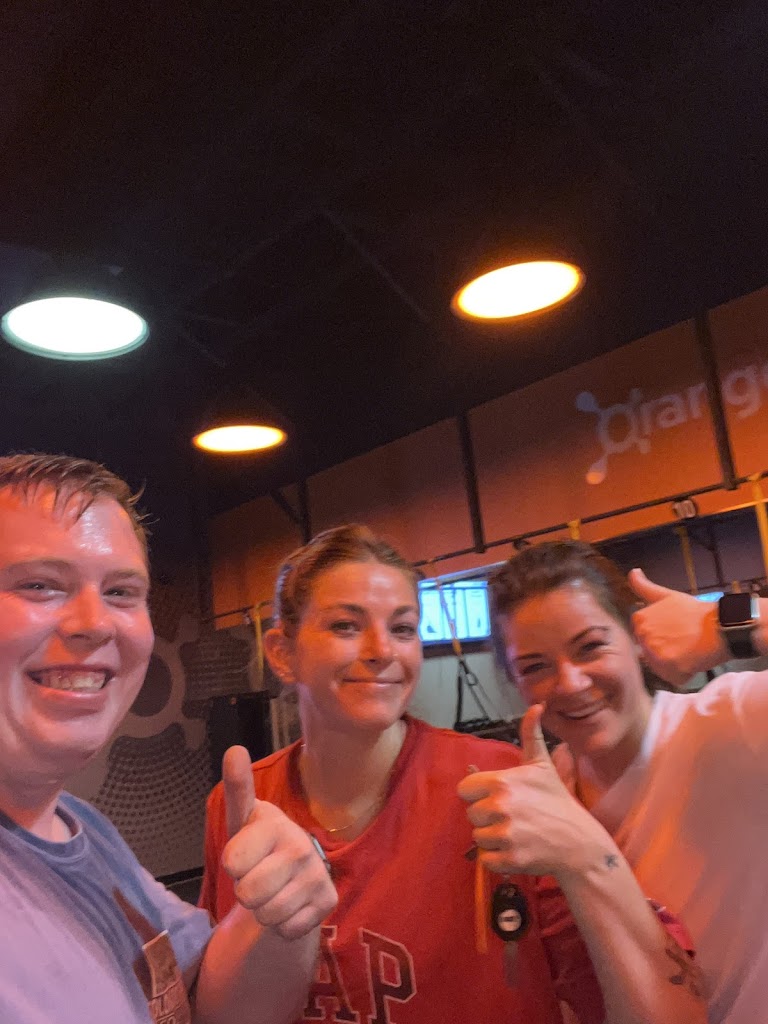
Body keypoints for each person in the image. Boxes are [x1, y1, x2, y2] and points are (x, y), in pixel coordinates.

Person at [200, 524, 705, 1024]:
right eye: (346, 626)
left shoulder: (499, 784)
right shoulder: (242, 806)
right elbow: (221, 997)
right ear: (282, 653)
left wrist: (589, 859)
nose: (382, 650)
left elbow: (661, 1009)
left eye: (402, 628)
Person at [0, 452, 337, 1024]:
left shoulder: (85, 830)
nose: (95, 623)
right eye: (40, 585)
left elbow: (213, 1004)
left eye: (121, 592)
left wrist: (282, 915)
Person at [489, 540, 768, 1024]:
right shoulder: (546, 793)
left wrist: (737, 622)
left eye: (591, 647)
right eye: (535, 666)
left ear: (637, 638)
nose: (571, 683)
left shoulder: (732, 719)